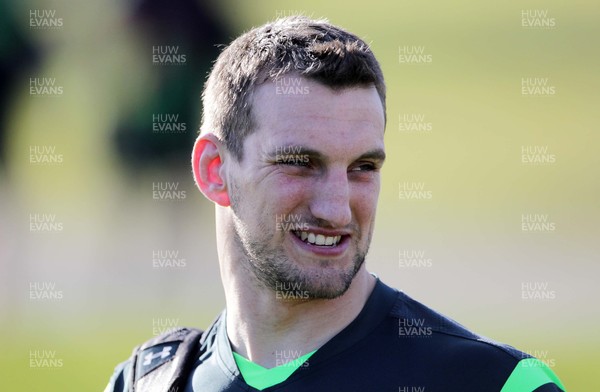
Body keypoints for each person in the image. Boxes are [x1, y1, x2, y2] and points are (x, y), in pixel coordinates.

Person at [105, 16, 566, 391]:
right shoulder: (146, 383)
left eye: (363, 167)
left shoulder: (494, 384)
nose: (337, 209)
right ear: (213, 169)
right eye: (300, 163)